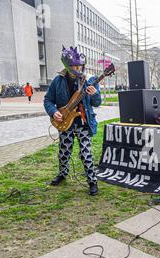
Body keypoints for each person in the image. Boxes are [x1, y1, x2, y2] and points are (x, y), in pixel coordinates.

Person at [44, 46, 102, 196]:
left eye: (80, 66)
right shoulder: (58, 80)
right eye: (75, 66)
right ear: (67, 66)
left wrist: (95, 94)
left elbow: (97, 103)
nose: (78, 68)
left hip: (82, 122)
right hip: (65, 122)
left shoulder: (89, 80)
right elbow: (48, 100)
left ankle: (92, 181)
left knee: (86, 153)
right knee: (64, 151)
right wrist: (54, 111)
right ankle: (63, 174)